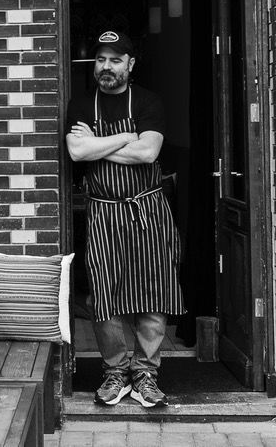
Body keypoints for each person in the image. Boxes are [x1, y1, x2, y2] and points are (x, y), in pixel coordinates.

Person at [65, 30, 183, 409]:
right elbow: (76, 151)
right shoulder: (81, 104)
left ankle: (145, 373)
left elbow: (148, 153)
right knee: (104, 294)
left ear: (130, 64)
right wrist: (126, 137)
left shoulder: (148, 101)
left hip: (147, 211)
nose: (107, 66)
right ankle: (116, 371)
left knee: (154, 291)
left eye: (115, 60)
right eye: (101, 59)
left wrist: (98, 145)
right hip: (103, 212)